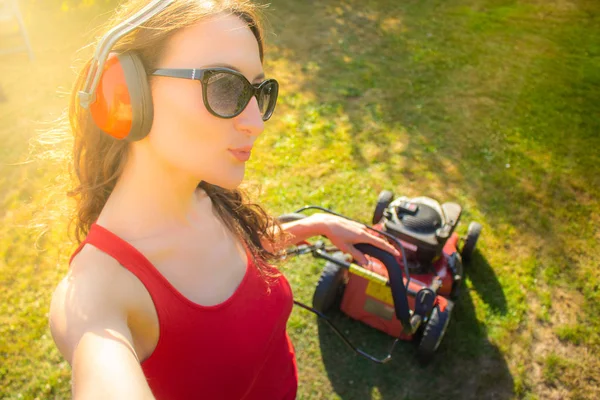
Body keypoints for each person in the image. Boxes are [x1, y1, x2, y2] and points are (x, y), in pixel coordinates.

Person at [48, 1, 400, 399]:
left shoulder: (206, 195)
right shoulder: (99, 293)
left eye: (258, 92)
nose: (255, 124)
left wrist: (314, 227)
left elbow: (239, 260)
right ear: (127, 93)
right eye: (225, 87)